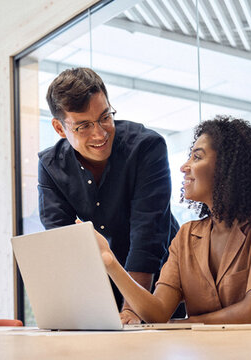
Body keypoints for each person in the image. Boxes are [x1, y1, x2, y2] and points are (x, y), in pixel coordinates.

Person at [93, 116, 251, 326]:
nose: (185, 166)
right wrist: (110, 263)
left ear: (227, 166)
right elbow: (157, 313)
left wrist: (186, 323)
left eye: (197, 157)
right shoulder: (186, 236)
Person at [38, 67, 182, 322]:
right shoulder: (51, 166)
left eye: (105, 117)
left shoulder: (146, 148)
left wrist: (132, 308)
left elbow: (147, 235)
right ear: (60, 129)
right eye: (83, 126)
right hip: (101, 291)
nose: (100, 133)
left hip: (158, 289)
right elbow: (63, 241)